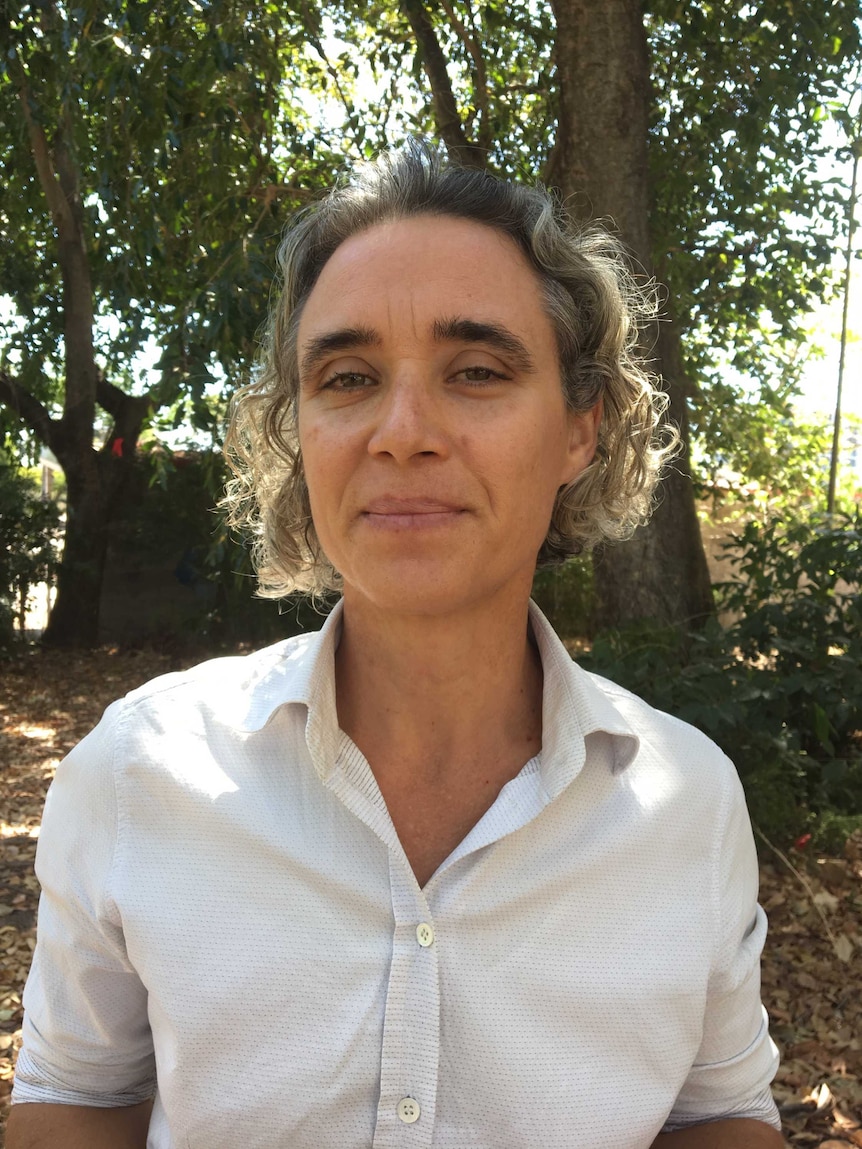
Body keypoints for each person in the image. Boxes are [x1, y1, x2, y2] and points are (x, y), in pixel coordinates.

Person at [9, 141, 783, 1149]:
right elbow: (75, 1098)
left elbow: (719, 1114)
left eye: (476, 370)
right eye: (347, 377)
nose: (402, 431)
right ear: (299, 430)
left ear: (579, 429)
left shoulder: (689, 801)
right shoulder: (135, 769)